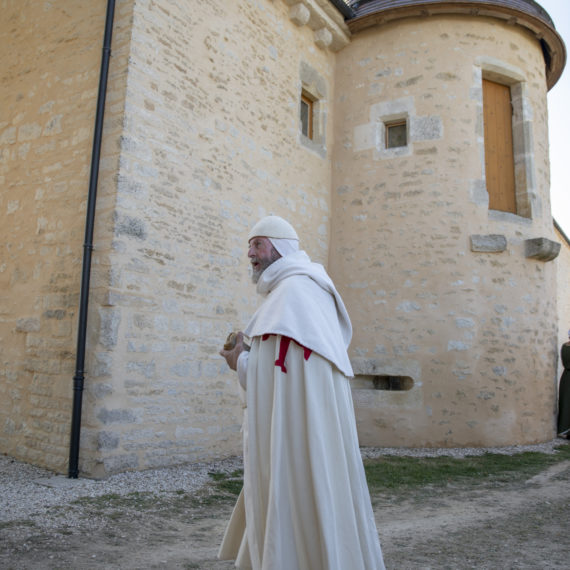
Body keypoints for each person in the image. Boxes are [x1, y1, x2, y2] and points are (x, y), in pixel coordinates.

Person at [218, 215, 385, 570]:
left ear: (280, 248)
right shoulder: (305, 290)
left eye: (257, 244)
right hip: (308, 424)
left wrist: (239, 361)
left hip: (293, 430)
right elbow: (290, 371)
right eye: (249, 244)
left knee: (295, 495)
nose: (250, 252)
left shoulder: (293, 295)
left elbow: (277, 374)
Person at [557, 330, 570, 438]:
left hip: (566, 377)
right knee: (567, 403)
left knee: (566, 402)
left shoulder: (564, 346)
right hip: (568, 377)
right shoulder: (566, 347)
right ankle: (565, 431)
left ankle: (564, 430)